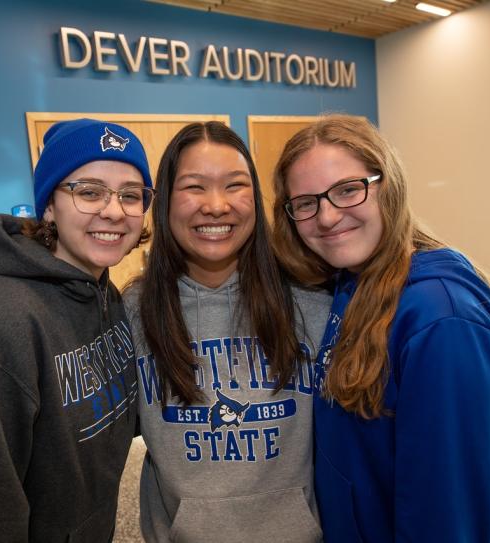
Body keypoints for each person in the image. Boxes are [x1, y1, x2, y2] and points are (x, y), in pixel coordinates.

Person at [272, 113, 490, 543]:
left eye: (347, 190)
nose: (326, 217)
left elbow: (445, 515)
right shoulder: (351, 281)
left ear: (388, 186)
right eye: (306, 203)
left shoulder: (441, 322)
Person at [0, 118, 155, 542]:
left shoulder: (102, 293)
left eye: (131, 195)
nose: (114, 210)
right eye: (89, 191)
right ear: (49, 205)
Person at [123, 121, 330, 543]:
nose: (216, 206)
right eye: (194, 187)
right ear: (163, 203)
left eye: (234, 185)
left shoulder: (313, 302)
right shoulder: (132, 312)